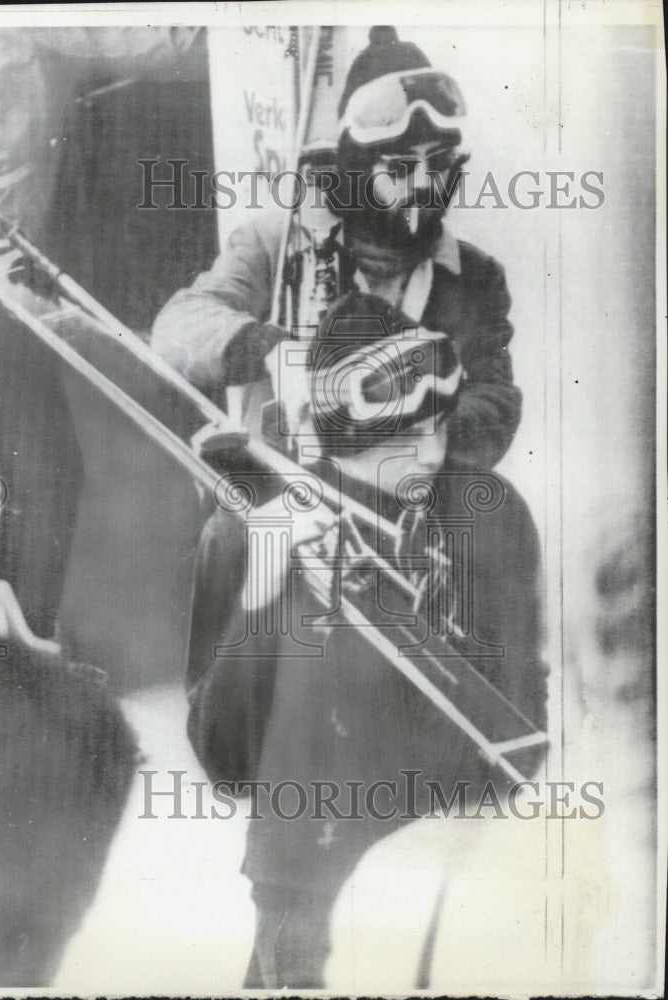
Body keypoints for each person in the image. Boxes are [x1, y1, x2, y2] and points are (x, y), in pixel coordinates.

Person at [151, 27, 547, 988]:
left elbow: (496, 400)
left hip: (413, 494)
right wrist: (272, 350)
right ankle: (287, 926)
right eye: (399, 166)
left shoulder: (470, 276)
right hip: (298, 491)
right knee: (278, 585)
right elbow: (178, 328)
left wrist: (421, 412)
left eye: (436, 165)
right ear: (355, 166)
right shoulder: (275, 241)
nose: (421, 185)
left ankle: (471, 740)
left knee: (495, 512)